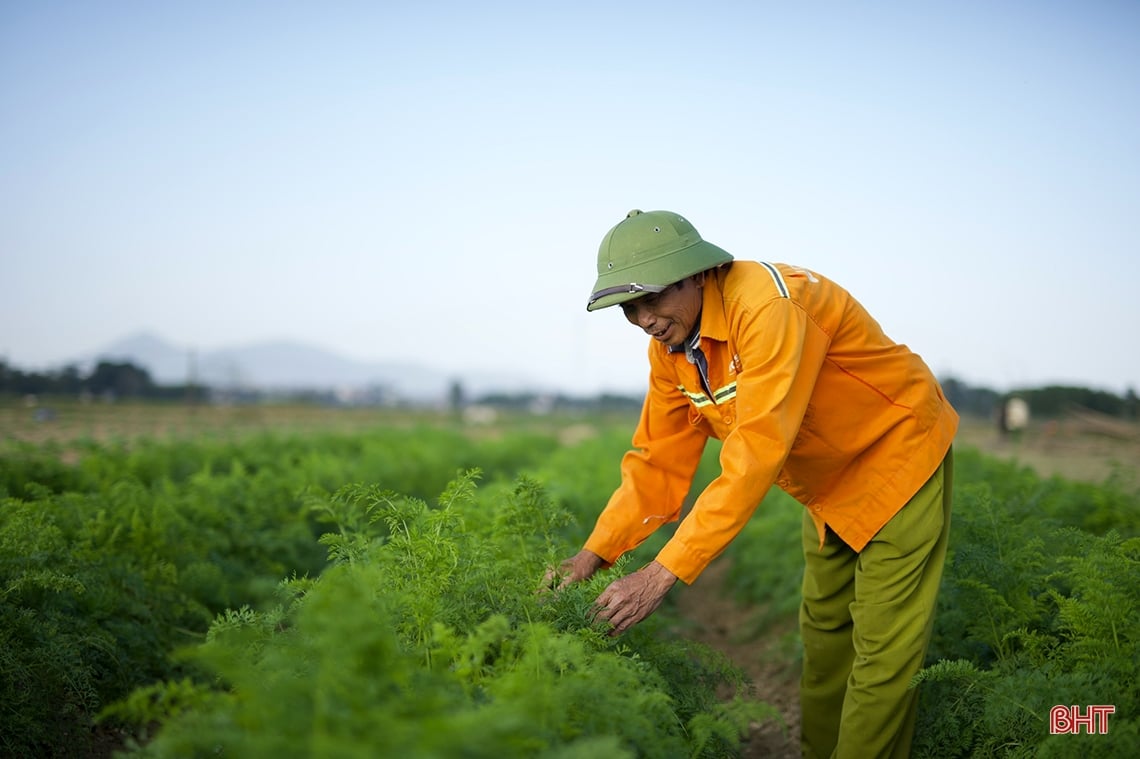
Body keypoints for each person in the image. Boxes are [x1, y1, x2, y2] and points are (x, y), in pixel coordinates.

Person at [551, 209, 958, 759]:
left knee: (882, 657)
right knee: (825, 641)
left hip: (896, 454)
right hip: (827, 488)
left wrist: (661, 574)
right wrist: (593, 556)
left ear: (696, 273)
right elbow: (656, 461)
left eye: (653, 298)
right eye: (630, 308)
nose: (644, 319)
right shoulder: (670, 351)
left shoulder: (766, 308)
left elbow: (755, 455)